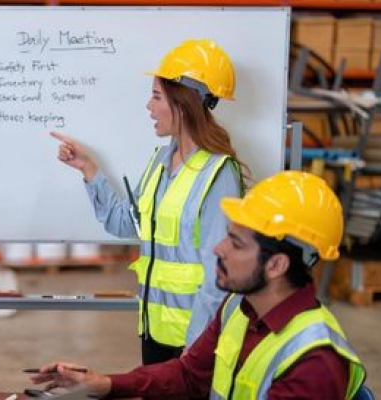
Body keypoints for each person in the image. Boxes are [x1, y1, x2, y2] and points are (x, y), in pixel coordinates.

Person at [30, 171, 367, 400]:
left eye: (235, 243)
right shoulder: (238, 306)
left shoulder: (314, 362)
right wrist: (102, 383)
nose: (218, 249)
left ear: (277, 264)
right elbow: (189, 375)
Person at [51, 39, 247, 365]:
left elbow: (221, 273)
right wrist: (88, 168)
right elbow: (127, 224)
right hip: (154, 333)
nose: (148, 106)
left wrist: (197, 348)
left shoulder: (218, 174)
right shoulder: (160, 162)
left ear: (183, 103)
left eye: (156, 96)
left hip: (194, 344)